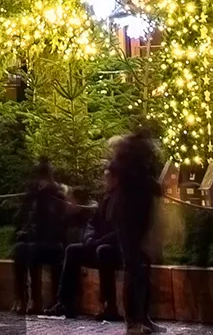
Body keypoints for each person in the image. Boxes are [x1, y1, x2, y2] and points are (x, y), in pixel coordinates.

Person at [105, 127, 163, 335]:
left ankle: (143, 318)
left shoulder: (131, 160)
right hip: (129, 217)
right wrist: (152, 185)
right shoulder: (130, 162)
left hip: (137, 217)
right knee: (134, 266)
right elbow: (133, 182)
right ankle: (133, 321)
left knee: (142, 266)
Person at [14, 157, 68, 313]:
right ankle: (20, 296)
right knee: (20, 249)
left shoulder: (55, 195)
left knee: (33, 251)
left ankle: (35, 299)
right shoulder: (33, 195)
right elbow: (25, 217)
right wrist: (24, 230)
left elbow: (56, 222)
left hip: (52, 241)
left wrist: (45, 195)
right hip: (35, 238)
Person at [55, 197, 120, 320]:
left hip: (115, 248)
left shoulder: (123, 200)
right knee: (72, 250)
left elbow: (120, 231)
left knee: (103, 251)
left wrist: (99, 241)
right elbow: (92, 224)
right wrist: (89, 238)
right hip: (96, 244)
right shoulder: (106, 200)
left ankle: (109, 306)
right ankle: (65, 303)